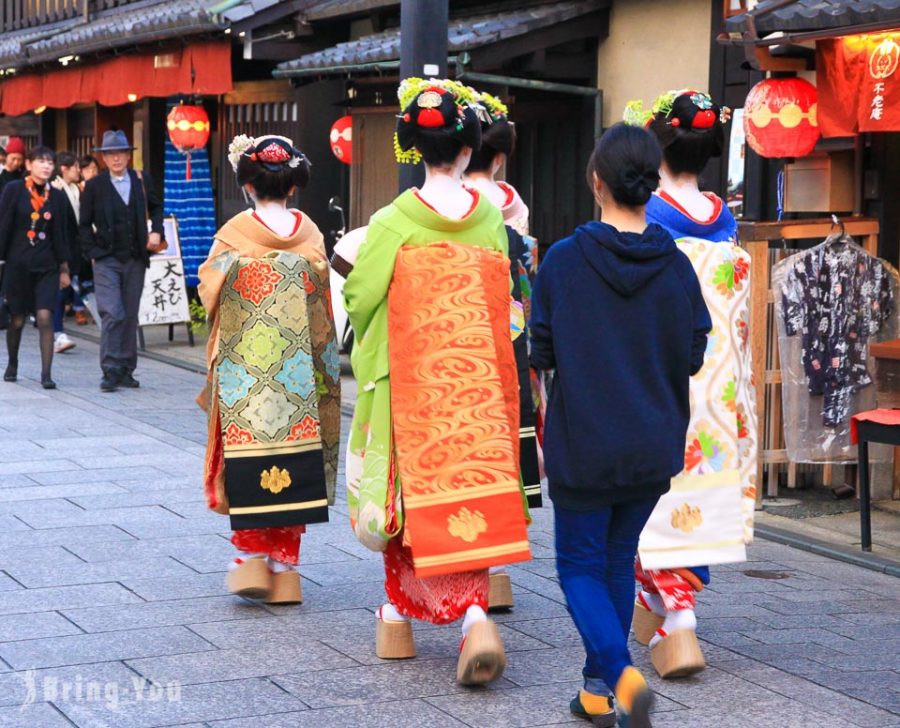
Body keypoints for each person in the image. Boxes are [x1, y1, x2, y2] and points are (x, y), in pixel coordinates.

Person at [344, 78, 530, 686]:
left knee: (406, 500)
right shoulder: (490, 224)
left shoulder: (393, 221)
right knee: (465, 494)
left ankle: (396, 615)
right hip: (472, 391)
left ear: (411, 148)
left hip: (412, 390)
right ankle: (475, 612)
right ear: (471, 148)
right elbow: (502, 299)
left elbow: (361, 294)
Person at [530, 123, 711, 728]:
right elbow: (693, 351)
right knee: (615, 559)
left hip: (584, 441)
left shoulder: (563, 260)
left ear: (596, 181)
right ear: (649, 187)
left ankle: (620, 674)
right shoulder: (677, 266)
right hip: (653, 442)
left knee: (579, 565)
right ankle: (594, 692)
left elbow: (543, 351)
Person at [626, 90, 757, 679]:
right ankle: (651, 605)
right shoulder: (722, 217)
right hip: (719, 381)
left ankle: (681, 624)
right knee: (697, 487)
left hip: (660, 369)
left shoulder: (648, 214)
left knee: (652, 489)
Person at [197, 133, 340, 605]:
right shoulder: (311, 233)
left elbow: (209, 289)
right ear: (292, 185)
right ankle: (286, 569)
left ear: (246, 185)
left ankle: (250, 558)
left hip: (248, 372)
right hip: (300, 372)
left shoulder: (236, 232)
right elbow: (324, 293)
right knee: (297, 458)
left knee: (250, 456)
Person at [463, 90, 542, 613]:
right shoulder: (512, 202)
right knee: (506, 429)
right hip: (508, 327)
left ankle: (468, 559)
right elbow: (525, 271)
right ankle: (496, 571)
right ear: (500, 157)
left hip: (459, 326)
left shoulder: (448, 201)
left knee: (465, 434)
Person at [78, 130, 165, 392]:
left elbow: (158, 206)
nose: (116, 158)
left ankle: (126, 369)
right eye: (110, 154)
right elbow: (83, 226)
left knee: (129, 314)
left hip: (136, 257)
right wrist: (94, 253)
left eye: (121, 153)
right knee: (112, 312)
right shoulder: (94, 186)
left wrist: (156, 230)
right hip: (106, 258)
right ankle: (110, 368)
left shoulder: (141, 179)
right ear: (103, 158)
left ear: (129, 156)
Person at [0, 146, 74, 389]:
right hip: (17, 265)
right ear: (29, 165)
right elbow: (4, 225)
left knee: (45, 317)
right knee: (18, 318)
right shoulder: (14, 190)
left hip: (47, 266)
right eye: (40, 161)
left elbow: (63, 233)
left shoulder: (58, 196)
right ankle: (12, 362)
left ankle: (46, 374)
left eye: (50, 162)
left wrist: (64, 267)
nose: (46, 166)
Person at [50, 152, 87, 354]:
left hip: (75, 248)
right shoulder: (55, 189)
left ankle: (53, 328)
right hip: (61, 249)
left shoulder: (75, 189)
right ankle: (57, 333)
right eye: (75, 167)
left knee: (65, 290)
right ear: (64, 168)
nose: (78, 170)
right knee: (61, 290)